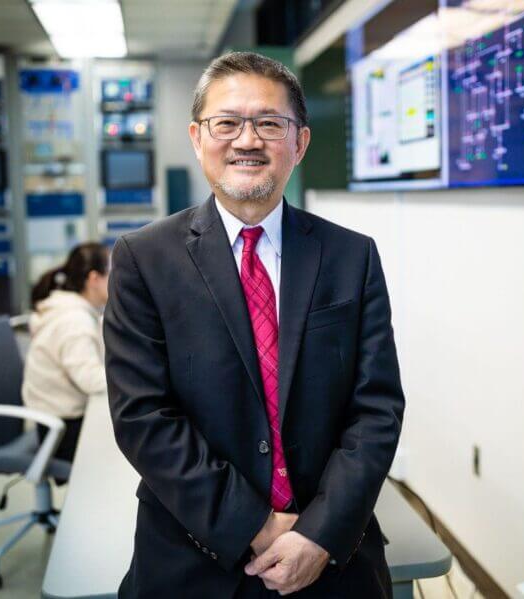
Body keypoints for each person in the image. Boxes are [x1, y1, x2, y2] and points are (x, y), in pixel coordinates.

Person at [105, 51, 404, 598]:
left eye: (269, 123)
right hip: (197, 555)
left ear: (300, 143)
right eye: (227, 123)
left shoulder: (351, 256)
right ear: (197, 138)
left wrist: (318, 535)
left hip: (329, 555)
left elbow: (377, 409)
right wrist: (257, 526)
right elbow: (143, 416)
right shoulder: (142, 259)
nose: (247, 140)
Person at [22, 242, 110, 463]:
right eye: (112, 273)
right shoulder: (74, 321)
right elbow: (92, 381)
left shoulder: (73, 309)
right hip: (62, 432)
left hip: (61, 420)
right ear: (94, 279)